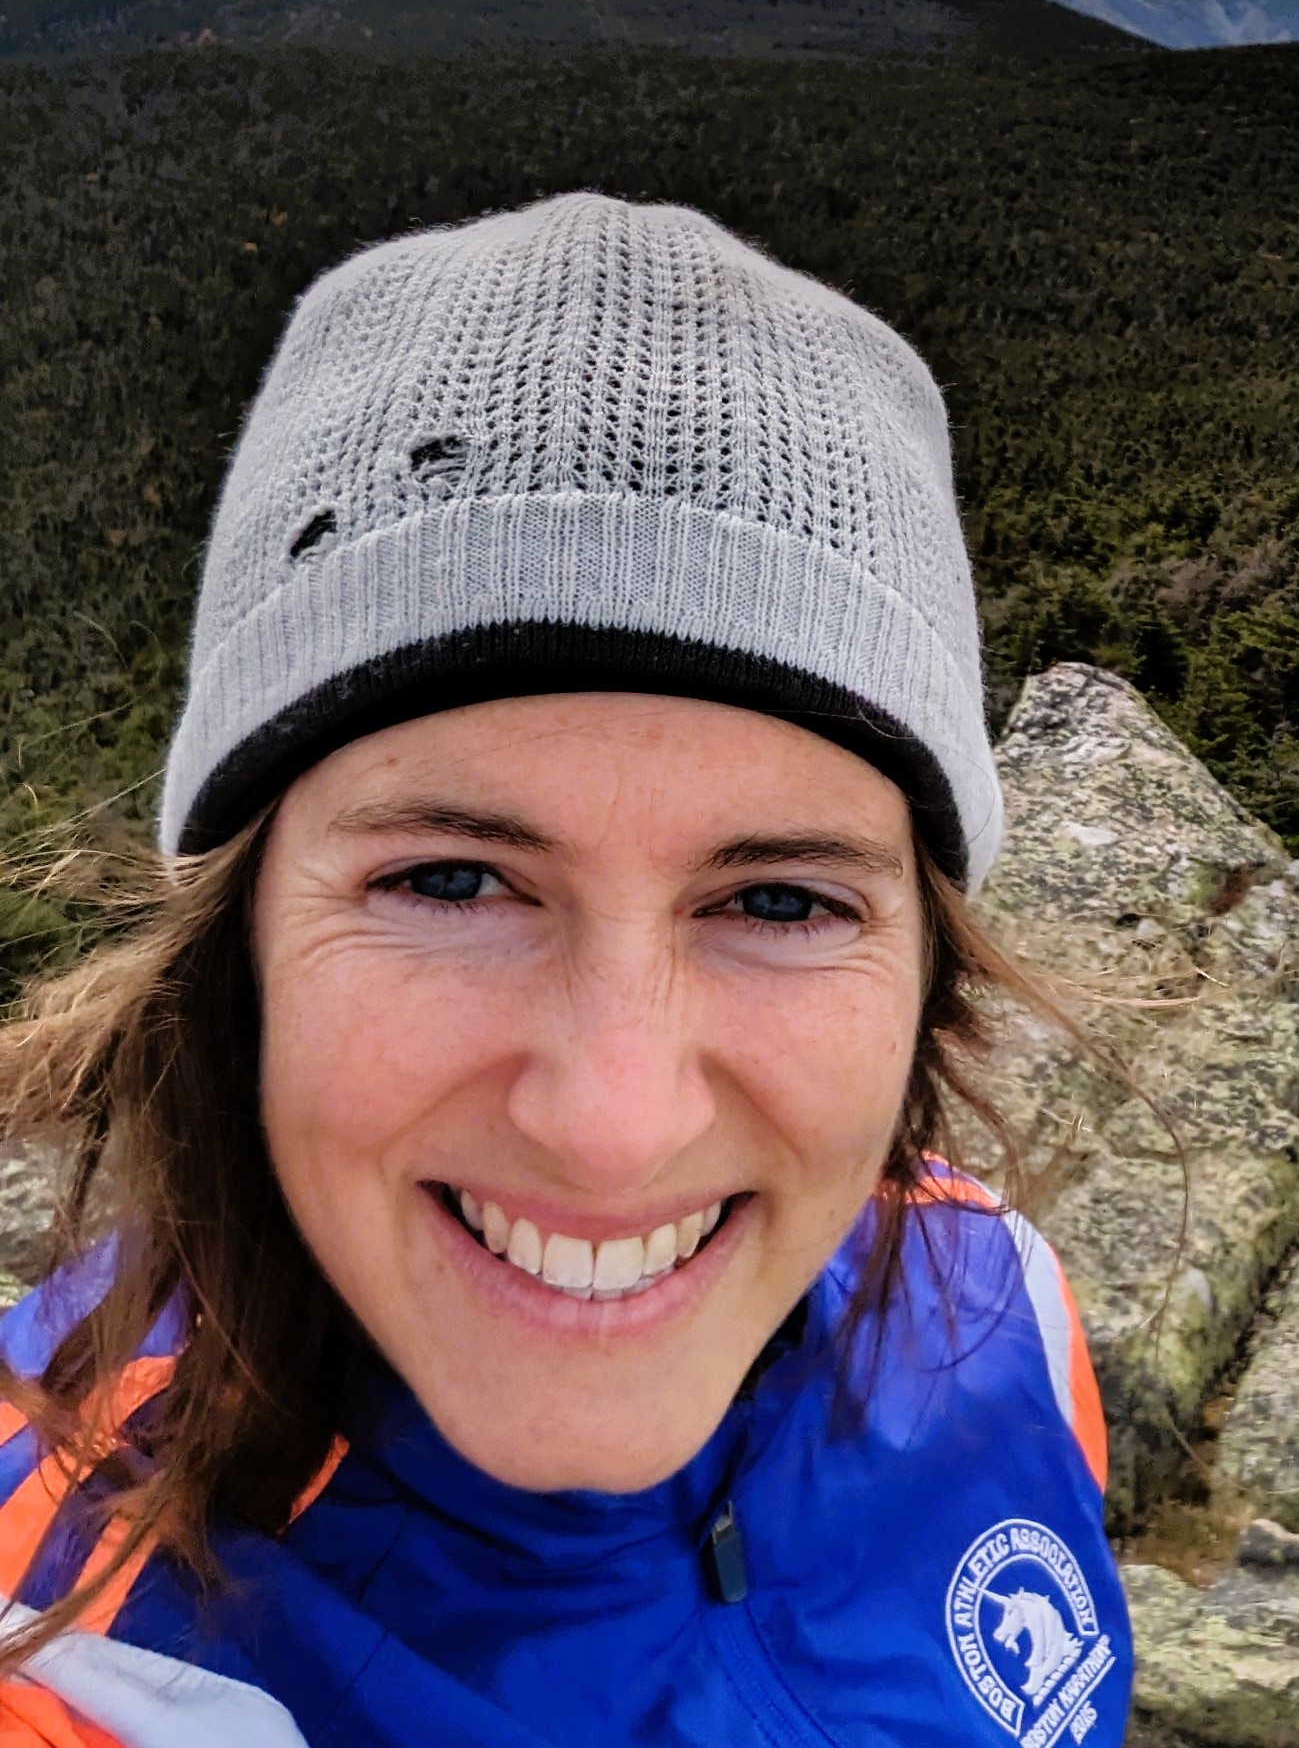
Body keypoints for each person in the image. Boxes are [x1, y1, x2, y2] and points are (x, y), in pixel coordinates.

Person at [0, 194, 1130, 1747]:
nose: (616, 1123)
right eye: (451, 880)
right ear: (238, 953)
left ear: (930, 980)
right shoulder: (60, 1645)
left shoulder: (997, 1302)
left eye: (782, 901)